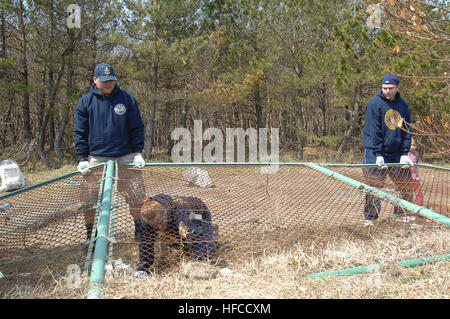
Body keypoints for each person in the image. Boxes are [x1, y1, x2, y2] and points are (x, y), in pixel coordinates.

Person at [73, 63, 146, 240]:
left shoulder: (127, 99)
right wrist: (83, 157)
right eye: (104, 81)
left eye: (111, 80)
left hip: (125, 156)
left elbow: (137, 127)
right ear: (95, 80)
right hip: (96, 158)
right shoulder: (85, 102)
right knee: (89, 200)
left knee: (136, 196)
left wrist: (138, 152)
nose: (108, 84)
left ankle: (140, 229)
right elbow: (80, 132)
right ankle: (90, 234)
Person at [362, 73, 415, 226]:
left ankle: (401, 214)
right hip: (375, 152)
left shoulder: (402, 105)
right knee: (374, 186)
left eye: (390, 88)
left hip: (397, 152)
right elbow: (374, 130)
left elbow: (406, 129)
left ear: (398, 87)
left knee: (404, 185)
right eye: (384, 88)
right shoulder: (374, 104)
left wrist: (405, 153)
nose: (387, 91)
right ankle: (370, 219)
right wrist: (378, 154)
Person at [134, 193, 218, 276]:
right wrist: (142, 269)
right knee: (177, 241)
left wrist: (200, 264)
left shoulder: (181, 214)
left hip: (198, 214)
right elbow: (145, 245)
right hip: (174, 221)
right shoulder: (146, 218)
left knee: (207, 248)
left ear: (165, 213)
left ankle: (212, 231)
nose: (159, 228)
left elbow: (197, 238)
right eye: (155, 226)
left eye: (160, 223)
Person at [408, 137, 424, 206]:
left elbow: (416, 167)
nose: (412, 147)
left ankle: (419, 207)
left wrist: (417, 176)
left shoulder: (416, 155)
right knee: (407, 194)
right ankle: (407, 207)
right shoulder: (405, 155)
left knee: (419, 193)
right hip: (406, 178)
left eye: (414, 145)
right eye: (410, 145)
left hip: (415, 178)